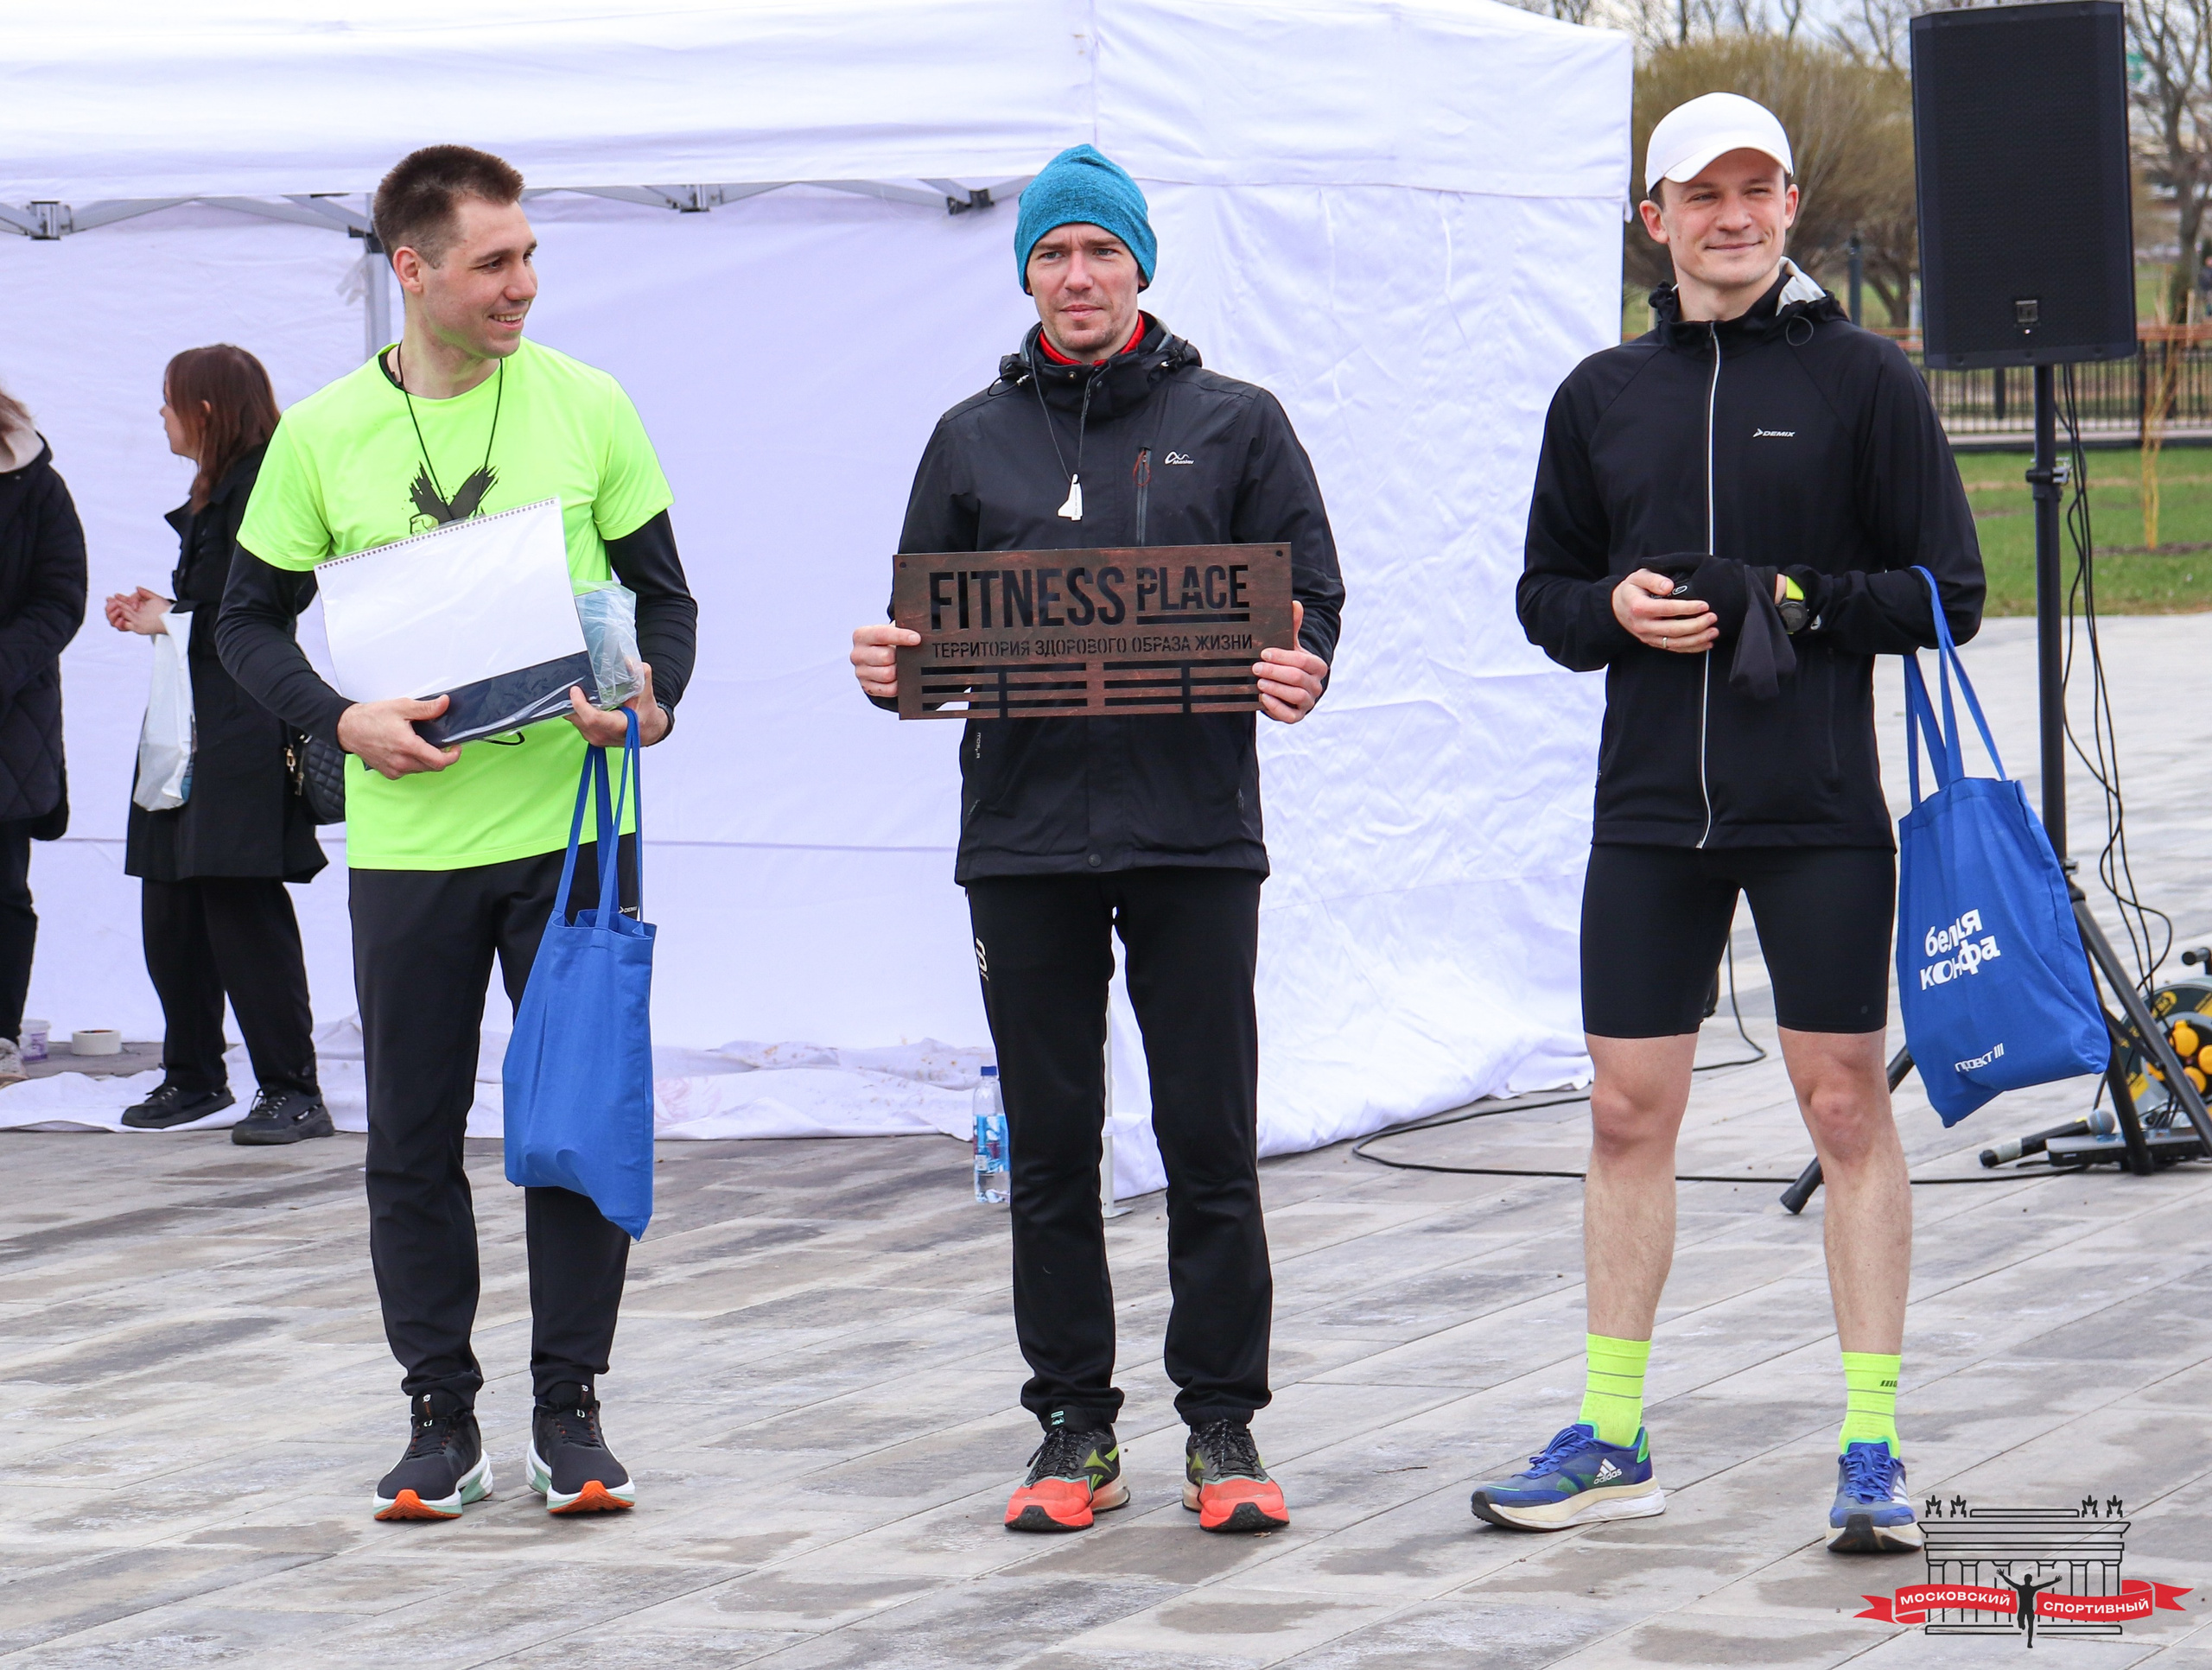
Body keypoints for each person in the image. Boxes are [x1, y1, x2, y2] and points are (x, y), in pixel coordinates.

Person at [1477, 93, 1984, 1553]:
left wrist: (1799, 598)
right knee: (1627, 1112)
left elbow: (1949, 589)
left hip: (1819, 805)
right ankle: (1614, 1431)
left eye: (1759, 191)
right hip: (1647, 815)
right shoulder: (1599, 395)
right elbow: (1545, 598)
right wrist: (1614, 610)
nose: (1735, 216)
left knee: (1843, 1105)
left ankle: (1873, 1444)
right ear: (1656, 219)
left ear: (1788, 206)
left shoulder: (1863, 381)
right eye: (1704, 194)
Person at [849, 144, 1344, 1537]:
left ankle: (1222, 1423)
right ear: (1026, 273)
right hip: (1022, 844)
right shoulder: (968, 439)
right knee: (1054, 1144)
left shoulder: (1237, 422)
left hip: (1194, 835)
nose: (1079, 277)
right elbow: (919, 637)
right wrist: (888, 665)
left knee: (1208, 1136)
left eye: (1102, 253)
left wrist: (1308, 669)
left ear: (1141, 268)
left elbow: (1310, 600)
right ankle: (1072, 1427)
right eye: (1055, 254)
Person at [217, 145, 697, 1523]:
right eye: (493, 263)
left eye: (531, 257)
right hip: (414, 845)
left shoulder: (589, 404)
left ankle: (571, 1415)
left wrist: (651, 700)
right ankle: (441, 1419)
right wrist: (336, 721)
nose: (523, 286)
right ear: (411, 272)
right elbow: (245, 623)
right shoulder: (319, 436)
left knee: (572, 1125)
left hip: (575, 829)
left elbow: (667, 603)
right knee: (410, 1142)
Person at [107, 346, 331, 1144]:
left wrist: (168, 617)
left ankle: (292, 1088)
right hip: (190, 721)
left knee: (239, 900)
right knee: (170, 898)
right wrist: (166, 609)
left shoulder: (266, 481)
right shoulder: (219, 487)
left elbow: (267, 605)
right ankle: (194, 1074)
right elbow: (214, 602)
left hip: (239, 720)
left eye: (168, 401)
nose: (159, 416)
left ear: (204, 410)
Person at [0, 380, 86, 1088]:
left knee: (1, 887)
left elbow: (61, 597)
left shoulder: (35, 485)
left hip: (8, 723)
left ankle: (0, 1035)